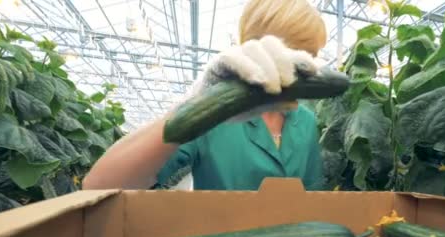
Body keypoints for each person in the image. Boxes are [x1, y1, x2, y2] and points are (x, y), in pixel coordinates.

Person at [82, 0, 328, 191]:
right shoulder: (216, 115)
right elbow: (99, 184)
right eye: (293, 53)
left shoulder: (305, 120)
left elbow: (314, 197)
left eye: (310, 56)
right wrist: (197, 103)